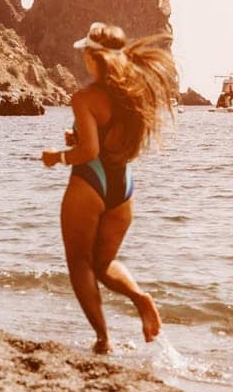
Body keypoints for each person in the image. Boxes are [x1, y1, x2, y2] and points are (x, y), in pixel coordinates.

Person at [40, 21, 176, 353]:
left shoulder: (84, 97)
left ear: (92, 57)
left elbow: (90, 153)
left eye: (85, 53)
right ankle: (139, 297)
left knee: (80, 263)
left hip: (90, 183)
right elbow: (110, 143)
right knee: (103, 264)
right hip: (123, 189)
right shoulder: (135, 96)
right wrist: (82, 139)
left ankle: (103, 339)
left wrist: (57, 157)